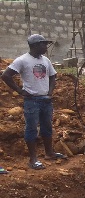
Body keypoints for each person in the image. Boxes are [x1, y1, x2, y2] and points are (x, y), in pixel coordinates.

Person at [1, 34, 68, 170]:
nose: (45, 47)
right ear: (35, 45)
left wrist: (50, 92)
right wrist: (20, 91)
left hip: (45, 100)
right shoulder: (22, 60)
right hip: (32, 100)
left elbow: (53, 76)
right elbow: (6, 75)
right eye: (43, 44)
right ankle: (33, 159)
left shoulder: (46, 60)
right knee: (31, 128)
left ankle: (49, 153)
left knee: (47, 127)